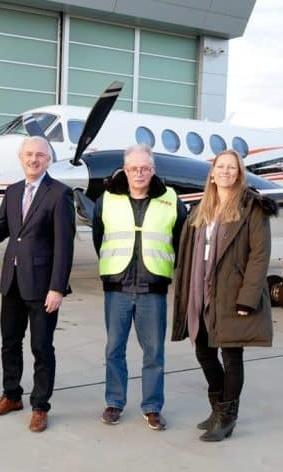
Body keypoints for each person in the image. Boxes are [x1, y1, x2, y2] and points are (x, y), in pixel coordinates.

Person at [172, 149, 276, 442]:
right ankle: (217, 408)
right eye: (221, 166)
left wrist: (248, 297)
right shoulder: (201, 208)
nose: (227, 172)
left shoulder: (252, 208)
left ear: (239, 173)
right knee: (203, 351)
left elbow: (259, 255)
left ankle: (227, 417)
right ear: (213, 173)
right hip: (201, 291)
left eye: (233, 167)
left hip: (232, 294)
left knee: (231, 355)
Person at [0, 136, 75, 433]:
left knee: (41, 347)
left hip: (43, 286)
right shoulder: (13, 190)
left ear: (48, 160)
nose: (34, 159)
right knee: (10, 343)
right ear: (21, 158)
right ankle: (11, 395)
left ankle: (40, 406)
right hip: (13, 283)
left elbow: (64, 246)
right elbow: (0, 230)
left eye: (40, 155)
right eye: (29, 154)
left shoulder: (59, 194)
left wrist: (57, 287)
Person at [92, 144, 187, 431]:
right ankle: (114, 402)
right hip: (117, 287)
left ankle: (152, 406)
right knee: (114, 350)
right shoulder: (106, 199)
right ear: (125, 169)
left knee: (154, 352)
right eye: (133, 168)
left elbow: (181, 238)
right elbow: (99, 236)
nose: (139, 173)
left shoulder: (171, 199)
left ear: (153, 170)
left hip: (153, 288)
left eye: (145, 168)